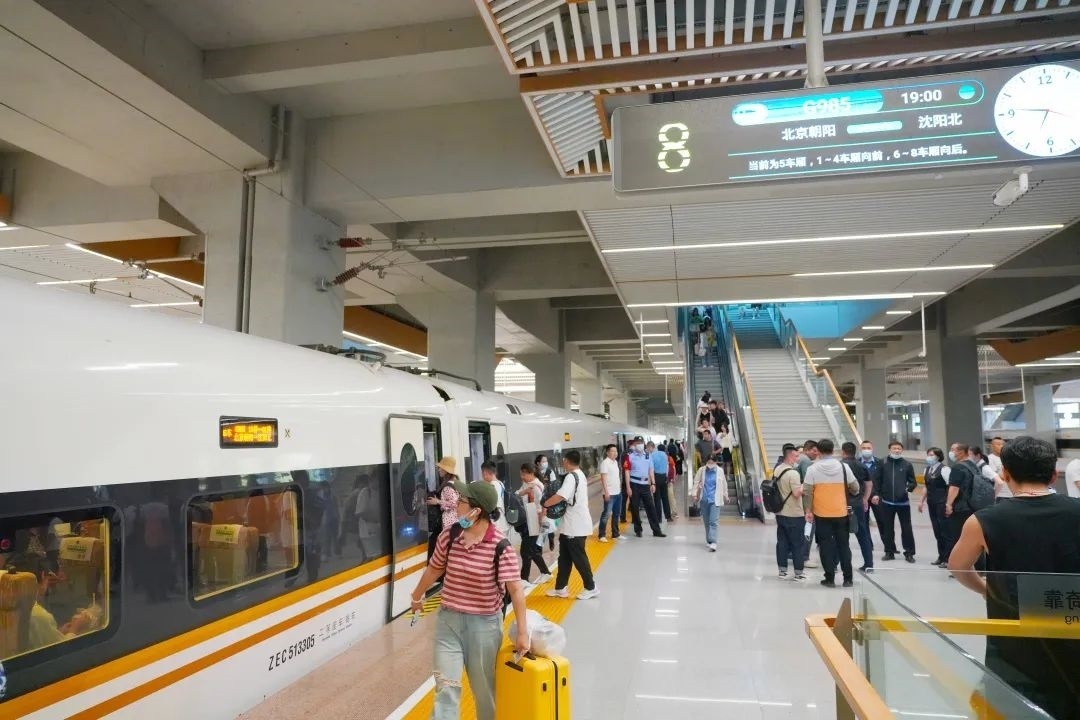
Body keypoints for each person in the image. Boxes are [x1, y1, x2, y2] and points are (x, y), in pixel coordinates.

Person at [948, 436, 1080, 720]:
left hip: (1014, 635)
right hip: (1072, 627)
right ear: (1053, 475)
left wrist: (986, 590)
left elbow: (958, 566)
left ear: (1006, 474)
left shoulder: (984, 520)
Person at [409, 480, 530, 720]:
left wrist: (523, 632)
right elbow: (434, 569)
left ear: (476, 510)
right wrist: (416, 596)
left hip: (484, 626)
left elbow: (516, 591)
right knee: (446, 689)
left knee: (485, 693)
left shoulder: (500, 546)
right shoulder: (450, 535)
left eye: (461, 501)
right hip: (448, 623)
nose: (456, 504)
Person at [803, 439, 860, 588]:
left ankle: (829, 579)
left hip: (822, 514)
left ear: (818, 451)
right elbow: (855, 488)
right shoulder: (844, 467)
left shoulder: (812, 469)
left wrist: (808, 511)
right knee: (843, 546)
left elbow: (807, 492)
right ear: (833, 450)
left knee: (825, 547)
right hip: (841, 513)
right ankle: (848, 579)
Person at [542, 450, 598, 600]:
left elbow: (560, 496)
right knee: (564, 558)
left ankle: (591, 587)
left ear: (566, 461)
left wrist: (545, 504)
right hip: (570, 526)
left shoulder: (571, 477)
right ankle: (560, 588)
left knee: (579, 558)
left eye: (564, 461)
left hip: (576, 526)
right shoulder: (579, 474)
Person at [869, 440, 917, 563]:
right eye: (894, 448)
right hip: (887, 501)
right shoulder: (882, 463)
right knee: (887, 528)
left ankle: (909, 553)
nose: (896, 450)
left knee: (906, 528)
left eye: (899, 448)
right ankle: (889, 552)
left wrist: (908, 488)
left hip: (903, 503)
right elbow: (876, 480)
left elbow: (913, 482)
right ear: (889, 449)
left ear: (902, 450)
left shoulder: (907, 464)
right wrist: (876, 494)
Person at [773, 444, 806, 580]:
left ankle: (782, 571)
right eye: (796, 456)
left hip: (780, 512)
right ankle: (798, 572)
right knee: (797, 543)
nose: (798, 458)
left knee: (782, 542)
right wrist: (805, 485)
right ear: (791, 456)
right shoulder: (793, 473)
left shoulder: (777, 469)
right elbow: (796, 494)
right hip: (794, 514)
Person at [515, 465, 552, 584]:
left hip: (535, 521)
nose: (522, 477)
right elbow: (516, 494)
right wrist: (524, 491)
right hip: (529, 520)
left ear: (531, 473)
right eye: (521, 474)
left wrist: (540, 521)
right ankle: (545, 573)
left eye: (524, 474)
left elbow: (543, 505)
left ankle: (524, 579)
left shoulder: (537, 486)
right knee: (532, 550)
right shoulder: (527, 484)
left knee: (526, 550)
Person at [840, 441, 874, 573]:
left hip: (842, 504)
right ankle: (869, 564)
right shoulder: (862, 465)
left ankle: (837, 564)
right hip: (858, 504)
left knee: (840, 534)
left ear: (843, 452)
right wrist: (865, 499)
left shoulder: (840, 466)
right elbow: (869, 484)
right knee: (863, 534)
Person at [918, 447, 953, 566]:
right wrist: (921, 501)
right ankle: (941, 556)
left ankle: (948, 558)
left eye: (932, 455)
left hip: (942, 502)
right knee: (937, 531)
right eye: (928, 454)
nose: (929, 457)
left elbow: (950, 486)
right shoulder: (927, 469)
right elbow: (926, 486)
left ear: (938, 456)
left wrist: (949, 503)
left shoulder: (945, 469)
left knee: (945, 531)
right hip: (931, 502)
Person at [944, 443, 979, 563]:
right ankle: (975, 563)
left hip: (960, 508)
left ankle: (959, 564)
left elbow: (954, 488)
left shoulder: (958, 467)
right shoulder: (974, 466)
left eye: (953, 450)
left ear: (961, 452)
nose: (951, 452)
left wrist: (949, 504)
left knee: (957, 537)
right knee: (972, 537)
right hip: (974, 505)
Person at [624, 437, 665, 538]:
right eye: (638, 443)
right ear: (634, 444)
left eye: (641, 442)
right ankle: (638, 530)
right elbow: (627, 472)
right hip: (634, 484)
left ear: (644, 444)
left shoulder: (648, 455)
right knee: (635, 508)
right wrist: (628, 487)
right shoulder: (630, 456)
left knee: (651, 508)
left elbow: (651, 470)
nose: (639, 444)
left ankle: (657, 531)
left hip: (645, 485)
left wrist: (653, 484)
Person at [691, 454, 729, 551]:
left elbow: (724, 484)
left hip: (715, 500)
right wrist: (694, 494)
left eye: (712, 462)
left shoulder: (720, 471)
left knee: (713, 521)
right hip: (704, 499)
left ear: (716, 462)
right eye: (709, 462)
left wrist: (726, 495)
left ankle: (713, 542)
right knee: (706, 521)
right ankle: (709, 540)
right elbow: (696, 482)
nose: (710, 464)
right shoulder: (702, 470)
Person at [425, 458, 461, 560]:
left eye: (440, 468)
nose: (438, 470)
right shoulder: (456, 482)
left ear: (446, 470)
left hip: (448, 522)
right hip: (455, 521)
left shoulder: (448, 487)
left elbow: (455, 503)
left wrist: (438, 502)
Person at [597, 444, 623, 542]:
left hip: (617, 492)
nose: (615, 453)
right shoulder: (605, 463)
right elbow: (603, 479)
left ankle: (615, 534)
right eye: (613, 451)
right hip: (610, 494)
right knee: (606, 514)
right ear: (608, 452)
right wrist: (606, 492)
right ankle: (601, 535)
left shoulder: (615, 462)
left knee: (616, 514)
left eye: (616, 451)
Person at [480, 461, 509, 537]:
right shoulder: (500, 483)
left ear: (485, 472)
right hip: (502, 521)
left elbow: (492, 505)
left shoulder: (493, 485)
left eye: (482, 473)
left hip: (497, 523)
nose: (482, 476)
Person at [648, 441, 673, 523]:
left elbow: (651, 469)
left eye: (648, 448)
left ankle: (658, 518)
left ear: (650, 447)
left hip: (656, 477)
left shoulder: (651, 456)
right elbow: (667, 467)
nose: (647, 450)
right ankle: (668, 517)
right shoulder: (664, 454)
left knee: (657, 499)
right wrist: (666, 477)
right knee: (665, 498)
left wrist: (651, 482)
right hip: (664, 477)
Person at [987, 437, 1010, 501]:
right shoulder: (990, 458)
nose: (1001, 446)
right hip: (1001, 494)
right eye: (998, 444)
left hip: (1012, 493)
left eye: (1003, 444)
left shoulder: (1008, 457)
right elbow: (998, 476)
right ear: (992, 446)